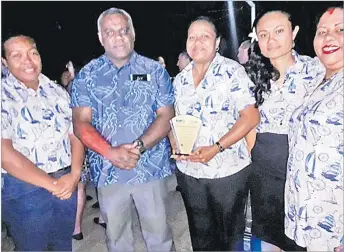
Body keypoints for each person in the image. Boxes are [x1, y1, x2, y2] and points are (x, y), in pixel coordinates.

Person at [71, 7, 175, 252]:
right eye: (110, 32)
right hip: (109, 173)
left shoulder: (155, 70)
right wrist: (110, 152)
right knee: (117, 240)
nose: (118, 37)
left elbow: (166, 115)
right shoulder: (87, 75)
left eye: (123, 30)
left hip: (150, 169)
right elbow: (80, 124)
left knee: (159, 237)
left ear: (133, 33)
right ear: (100, 37)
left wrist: (138, 147)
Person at [172, 16, 260, 251]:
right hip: (191, 172)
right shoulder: (180, 80)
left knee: (230, 238)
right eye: (192, 37)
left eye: (205, 36)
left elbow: (251, 116)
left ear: (217, 42)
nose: (197, 42)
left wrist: (217, 147)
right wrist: (176, 144)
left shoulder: (233, 72)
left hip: (227, 171)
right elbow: (177, 121)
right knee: (201, 238)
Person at [244, 9, 325, 251]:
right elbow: (249, 124)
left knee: (300, 239)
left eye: (279, 31)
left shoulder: (317, 71)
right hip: (264, 172)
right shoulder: (252, 76)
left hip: (304, 172)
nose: (271, 40)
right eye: (264, 34)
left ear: (294, 33)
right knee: (270, 236)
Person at [1, 34, 84, 251]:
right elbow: (5, 154)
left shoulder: (57, 91)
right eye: (17, 55)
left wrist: (74, 175)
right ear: (4, 62)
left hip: (66, 181)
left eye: (32, 53)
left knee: (63, 245)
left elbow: (75, 135)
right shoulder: (3, 96)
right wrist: (52, 185)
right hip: (24, 188)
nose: (28, 61)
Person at [286, 6, 343, 251]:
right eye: (322, 31)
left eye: (341, 30)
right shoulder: (317, 77)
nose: (329, 37)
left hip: (335, 219)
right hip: (306, 209)